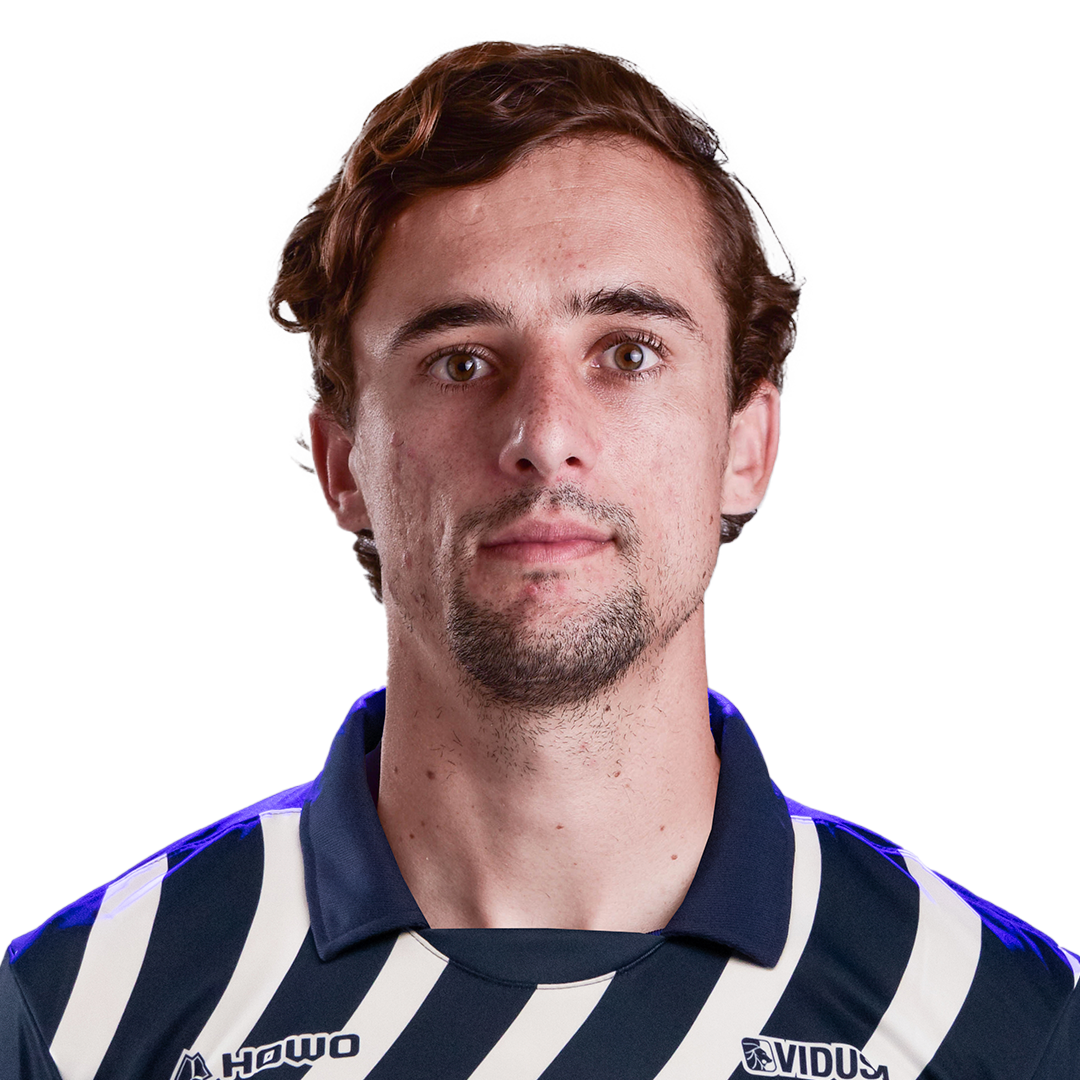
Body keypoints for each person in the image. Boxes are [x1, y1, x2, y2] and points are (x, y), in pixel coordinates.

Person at [3, 40, 1077, 1080]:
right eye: (460, 361)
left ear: (745, 447)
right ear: (343, 467)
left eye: (629, 352)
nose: (543, 433)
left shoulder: (999, 1024)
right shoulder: (77, 1020)